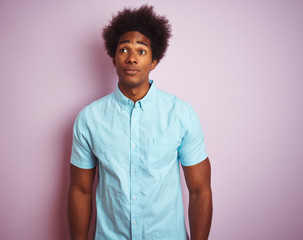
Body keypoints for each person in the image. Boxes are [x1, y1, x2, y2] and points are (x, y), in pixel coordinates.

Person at [68, 5, 212, 240]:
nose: (132, 58)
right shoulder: (89, 119)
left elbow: (200, 191)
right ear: (114, 59)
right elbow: (80, 191)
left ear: (154, 61)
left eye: (142, 51)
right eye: (124, 49)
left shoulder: (181, 115)